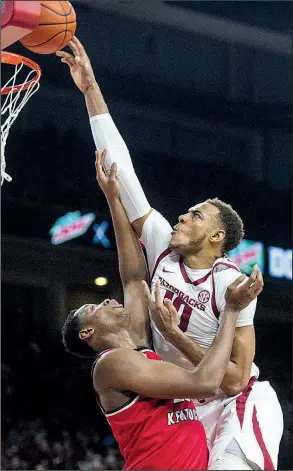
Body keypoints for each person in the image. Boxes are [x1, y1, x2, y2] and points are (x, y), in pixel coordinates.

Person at [57, 38, 283, 470]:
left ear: (217, 235)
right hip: (188, 399)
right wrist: (90, 89)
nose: (181, 216)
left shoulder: (230, 284)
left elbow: (233, 380)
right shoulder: (162, 242)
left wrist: (176, 335)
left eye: (195, 215)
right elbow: (122, 169)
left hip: (236, 402)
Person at [62, 150, 263, 471]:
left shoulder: (140, 349)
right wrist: (230, 311)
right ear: (88, 332)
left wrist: (114, 200)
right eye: (94, 306)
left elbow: (131, 277)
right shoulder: (110, 365)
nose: (107, 300)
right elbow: (206, 382)